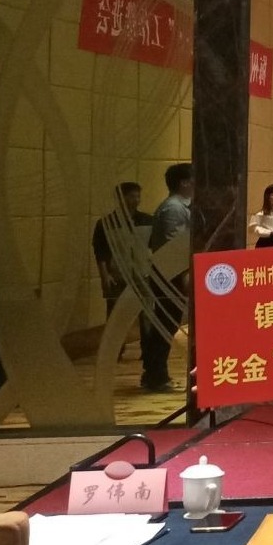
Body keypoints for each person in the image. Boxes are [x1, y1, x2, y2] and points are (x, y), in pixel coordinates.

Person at [139, 163, 193, 392]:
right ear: (184, 182)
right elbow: (174, 247)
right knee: (163, 327)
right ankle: (155, 376)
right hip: (170, 278)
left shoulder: (180, 206)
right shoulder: (174, 209)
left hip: (171, 276)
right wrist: (185, 277)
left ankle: (155, 375)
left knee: (165, 327)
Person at [91, 182, 151, 319]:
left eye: (138, 196)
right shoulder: (106, 223)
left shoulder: (148, 220)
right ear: (121, 198)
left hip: (142, 274)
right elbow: (100, 251)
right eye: (132, 196)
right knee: (115, 315)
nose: (136, 200)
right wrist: (105, 275)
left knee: (145, 314)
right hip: (117, 276)